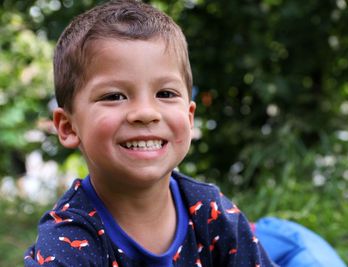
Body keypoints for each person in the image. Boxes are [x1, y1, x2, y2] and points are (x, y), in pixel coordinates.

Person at [24, 1, 276, 266]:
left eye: (165, 94)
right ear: (67, 127)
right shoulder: (67, 241)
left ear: (189, 118)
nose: (145, 112)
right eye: (114, 96)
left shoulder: (211, 212)